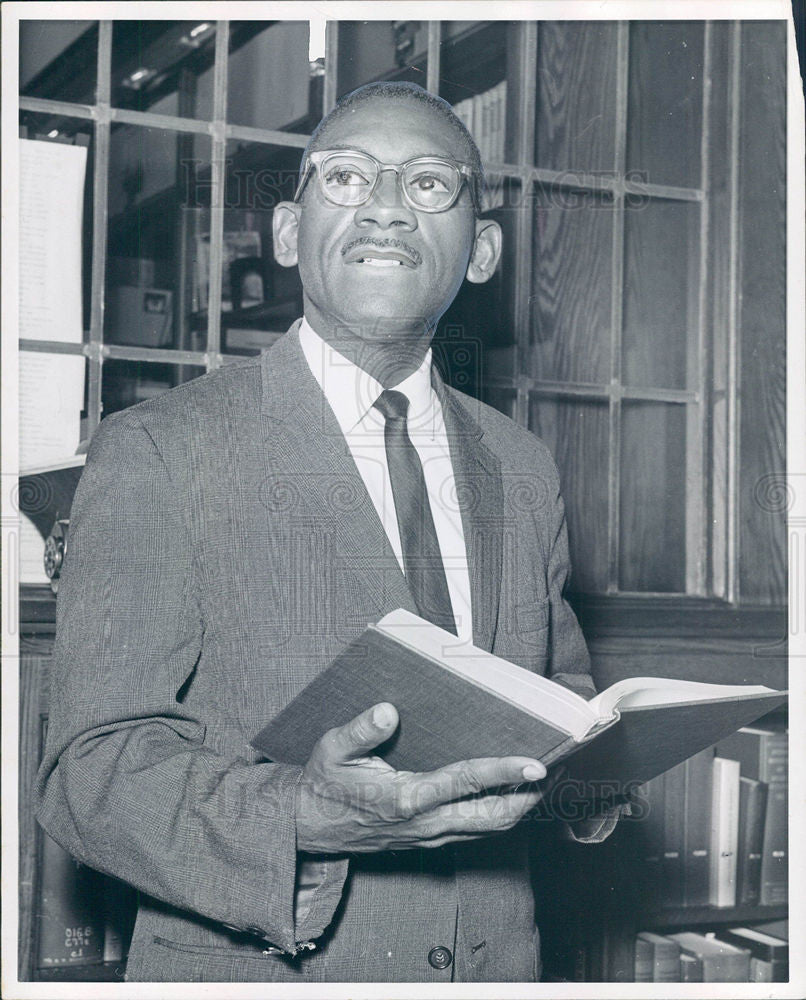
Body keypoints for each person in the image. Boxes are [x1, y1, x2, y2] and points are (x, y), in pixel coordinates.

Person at [36, 81, 621, 984]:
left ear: (483, 250)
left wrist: (597, 776)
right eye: (344, 177)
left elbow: (558, 698)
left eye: (430, 184)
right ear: (283, 233)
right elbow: (91, 773)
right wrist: (299, 816)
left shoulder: (523, 465)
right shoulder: (158, 448)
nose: (385, 207)